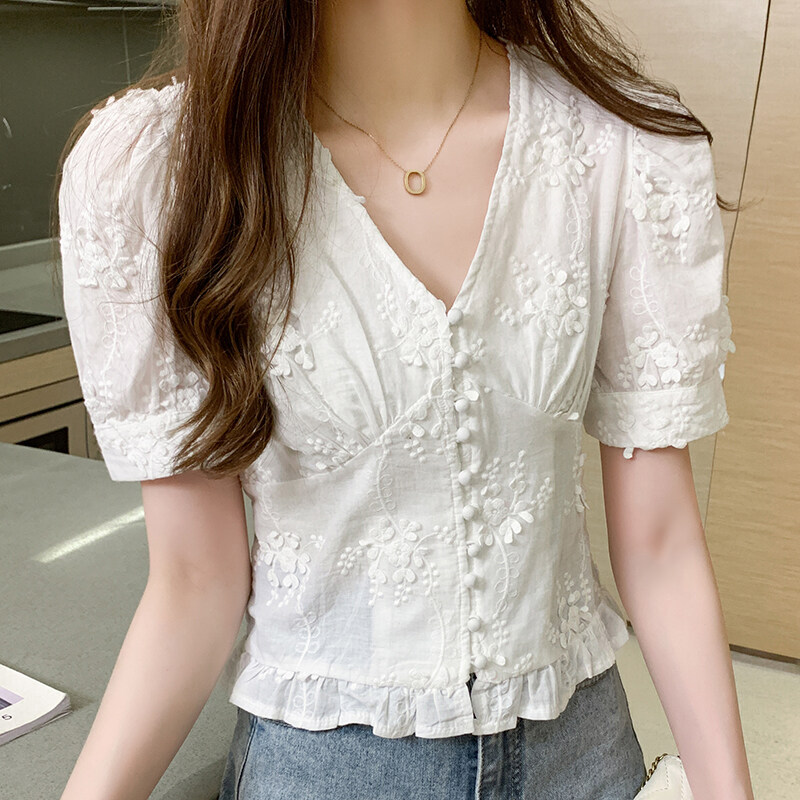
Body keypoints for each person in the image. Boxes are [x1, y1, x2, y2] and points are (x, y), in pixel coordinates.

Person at [55, 1, 754, 799]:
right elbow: (194, 581)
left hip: (581, 755)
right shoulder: (165, 171)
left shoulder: (621, 148)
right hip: (324, 768)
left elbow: (661, 545)